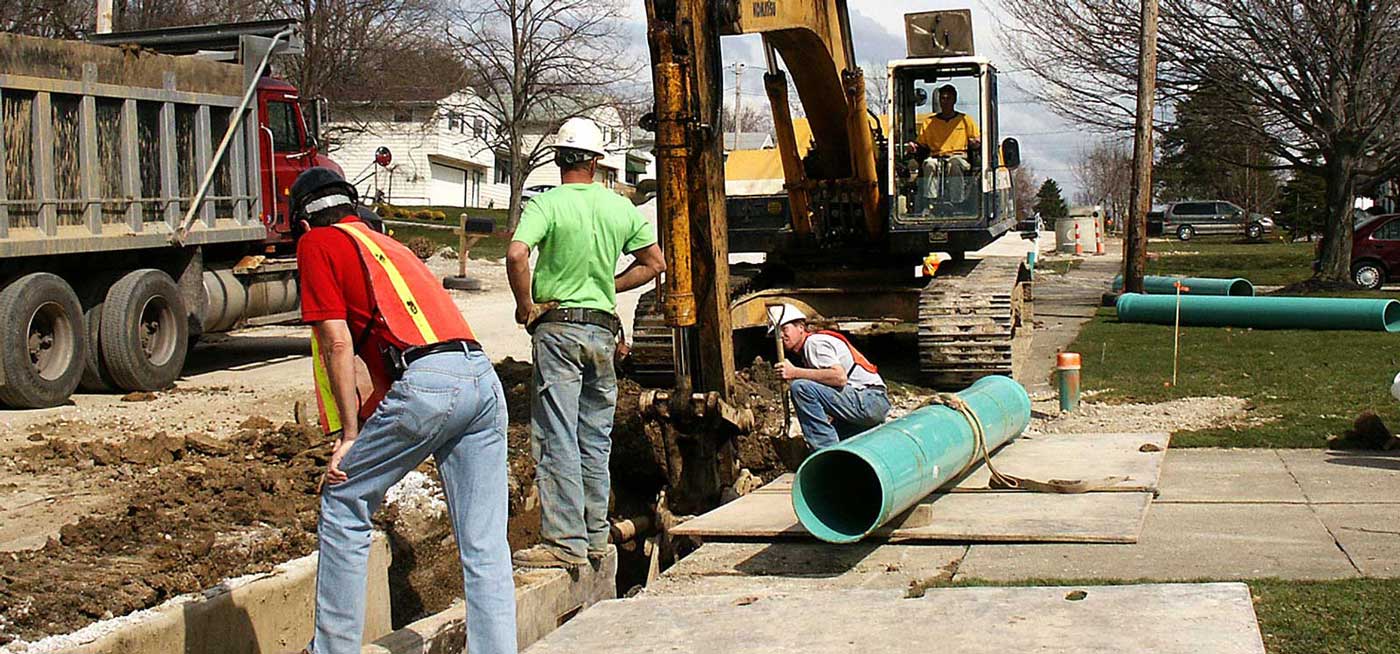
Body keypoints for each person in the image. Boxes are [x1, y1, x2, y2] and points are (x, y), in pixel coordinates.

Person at [291, 167, 516, 654]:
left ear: (304, 224)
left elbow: (336, 343)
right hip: (480, 376)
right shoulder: (385, 244)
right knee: (484, 546)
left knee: (344, 499)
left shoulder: (317, 244)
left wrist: (350, 435)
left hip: (430, 382)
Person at [507, 117, 666, 569]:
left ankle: (564, 542)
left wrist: (525, 307)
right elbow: (654, 263)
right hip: (601, 331)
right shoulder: (620, 208)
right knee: (594, 439)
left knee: (557, 435)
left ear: (559, 158)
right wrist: (606, 289)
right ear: (598, 162)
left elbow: (517, 254)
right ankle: (596, 536)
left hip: (558, 330)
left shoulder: (546, 204)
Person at [769, 304, 891, 450]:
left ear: (801, 327)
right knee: (840, 438)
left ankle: (826, 454)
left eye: (785, 329)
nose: (781, 336)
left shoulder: (814, 343)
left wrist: (794, 372)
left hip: (870, 400)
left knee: (800, 388)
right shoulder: (809, 350)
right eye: (777, 333)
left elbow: (839, 377)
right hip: (869, 403)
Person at [909, 84, 981, 207]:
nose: (945, 101)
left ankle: (957, 201)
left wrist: (975, 143)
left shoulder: (964, 120)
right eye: (943, 98)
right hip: (936, 156)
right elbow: (921, 143)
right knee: (929, 164)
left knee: (954, 163)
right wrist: (913, 146)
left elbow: (976, 139)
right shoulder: (929, 122)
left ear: (954, 100)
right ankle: (931, 202)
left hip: (959, 156)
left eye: (949, 98)